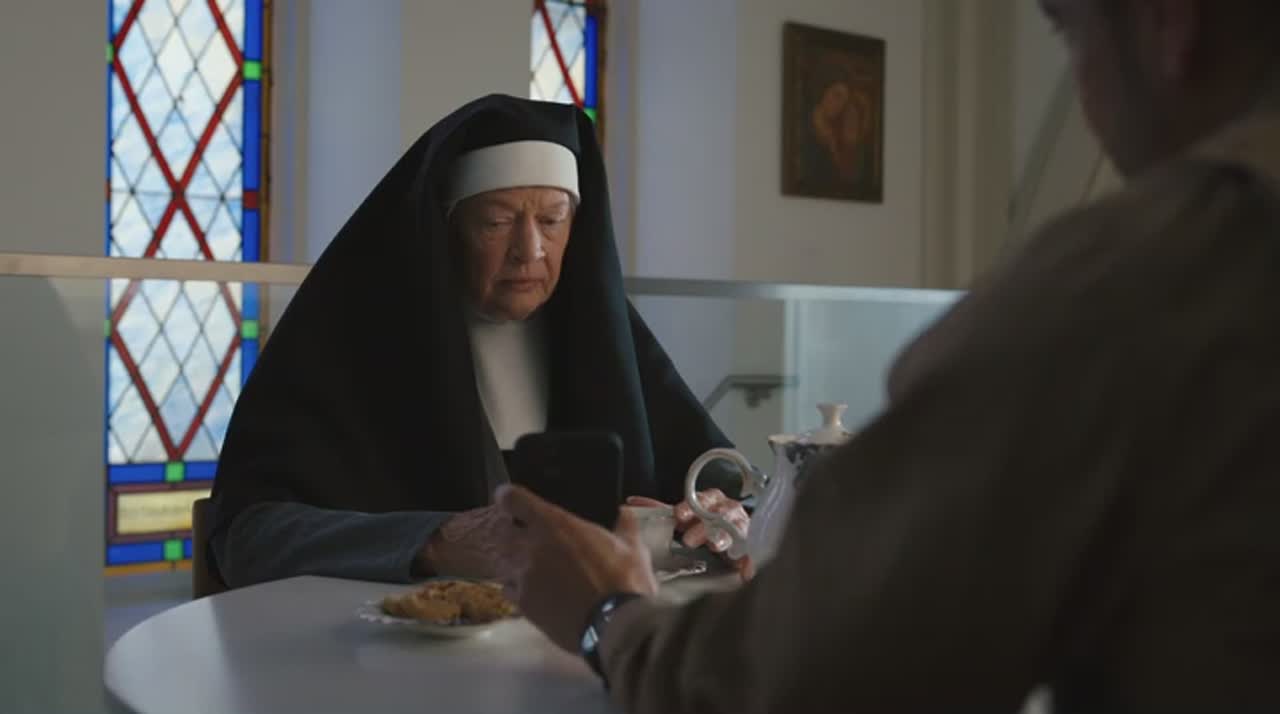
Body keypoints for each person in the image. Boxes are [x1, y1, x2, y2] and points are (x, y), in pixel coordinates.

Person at [496, 1, 1280, 712]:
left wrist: (610, 615)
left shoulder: (1130, 282)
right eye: (497, 220)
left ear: (1171, 23)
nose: (528, 249)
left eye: (1071, 34)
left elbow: (810, 671)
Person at [208, 95, 749, 588]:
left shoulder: (605, 340)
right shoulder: (349, 341)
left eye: (552, 220)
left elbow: (731, 490)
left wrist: (726, 517)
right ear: (445, 228)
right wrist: (433, 542)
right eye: (495, 223)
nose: (529, 250)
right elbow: (249, 536)